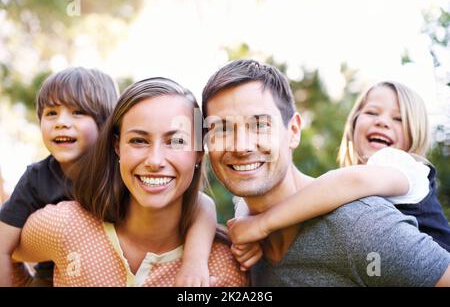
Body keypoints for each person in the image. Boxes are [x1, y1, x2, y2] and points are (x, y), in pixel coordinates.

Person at [202, 59, 450, 286]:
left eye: (260, 125)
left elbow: (351, 182)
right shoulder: (244, 248)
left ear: (294, 131)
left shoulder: (361, 224)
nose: (241, 146)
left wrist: (261, 224)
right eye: (221, 129)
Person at [12, 77, 248, 287]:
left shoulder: (222, 269)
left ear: (199, 152)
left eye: (176, 142)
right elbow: (8, 252)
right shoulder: (64, 225)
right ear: (117, 147)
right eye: (138, 140)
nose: (155, 160)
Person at [0, 67, 119, 287]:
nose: (61, 122)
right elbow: (2, 246)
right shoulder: (36, 178)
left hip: (112, 273)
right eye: (51, 113)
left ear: (105, 123)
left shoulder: (119, 171)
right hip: (51, 277)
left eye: (78, 112)